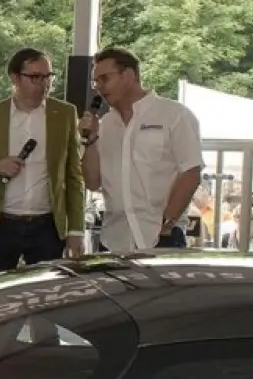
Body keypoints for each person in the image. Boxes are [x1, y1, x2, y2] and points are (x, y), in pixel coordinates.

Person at [0, 48, 87, 273]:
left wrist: (76, 230)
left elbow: (74, 176)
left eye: (48, 77)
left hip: (48, 226)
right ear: (15, 78)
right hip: (0, 225)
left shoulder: (65, 114)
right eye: (36, 77)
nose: (44, 84)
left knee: (44, 297)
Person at [81, 47, 204, 252]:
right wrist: (91, 140)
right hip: (114, 239)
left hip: (161, 237)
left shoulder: (174, 115)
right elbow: (93, 182)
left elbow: (191, 172)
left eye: (104, 78)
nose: (99, 87)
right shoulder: (106, 124)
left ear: (128, 75)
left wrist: (167, 223)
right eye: (96, 81)